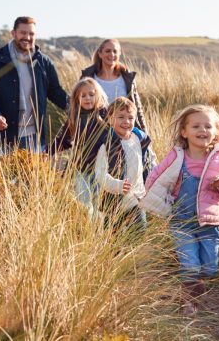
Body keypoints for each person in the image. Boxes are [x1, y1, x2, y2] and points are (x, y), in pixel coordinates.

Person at [140, 104, 219, 315]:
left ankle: (196, 286)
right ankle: (188, 300)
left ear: (216, 132)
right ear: (184, 132)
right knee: (190, 265)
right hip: (181, 221)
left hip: (209, 223)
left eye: (207, 126)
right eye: (196, 126)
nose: (202, 130)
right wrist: (157, 199)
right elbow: (156, 176)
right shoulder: (177, 157)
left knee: (210, 267)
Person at [0, 16, 68, 153]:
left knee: (34, 175)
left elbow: (55, 91)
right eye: (23, 33)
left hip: (35, 136)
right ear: (13, 33)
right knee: (7, 175)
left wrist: (74, 107)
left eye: (31, 34)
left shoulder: (44, 62)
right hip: (6, 135)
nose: (27, 37)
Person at [94, 97, 155, 231]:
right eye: (121, 117)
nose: (126, 121)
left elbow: (148, 162)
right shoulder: (107, 144)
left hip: (136, 198)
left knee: (140, 231)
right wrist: (118, 185)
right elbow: (100, 173)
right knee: (112, 236)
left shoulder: (139, 140)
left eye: (130, 118)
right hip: (114, 200)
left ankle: (134, 251)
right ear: (110, 118)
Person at [50, 77, 108, 217]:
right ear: (77, 99)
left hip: (102, 169)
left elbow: (118, 135)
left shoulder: (106, 115)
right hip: (80, 169)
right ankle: (88, 232)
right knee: (85, 205)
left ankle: (100, 234)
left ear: (98, 95)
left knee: (100, 205)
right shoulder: (74, 118)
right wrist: (47, 151)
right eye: (83, 96)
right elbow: (62, 140)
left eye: (91, 94)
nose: (88, 98)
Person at [81, 39, 147, 131]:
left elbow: (137, 108)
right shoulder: (88, 76)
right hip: (95, 131)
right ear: (100, 53)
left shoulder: (127, 77)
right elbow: (77, 105)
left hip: (123, 131)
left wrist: (144, 134)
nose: (112, 54)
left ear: (119, 54)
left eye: (115, 51)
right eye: (108, 51)